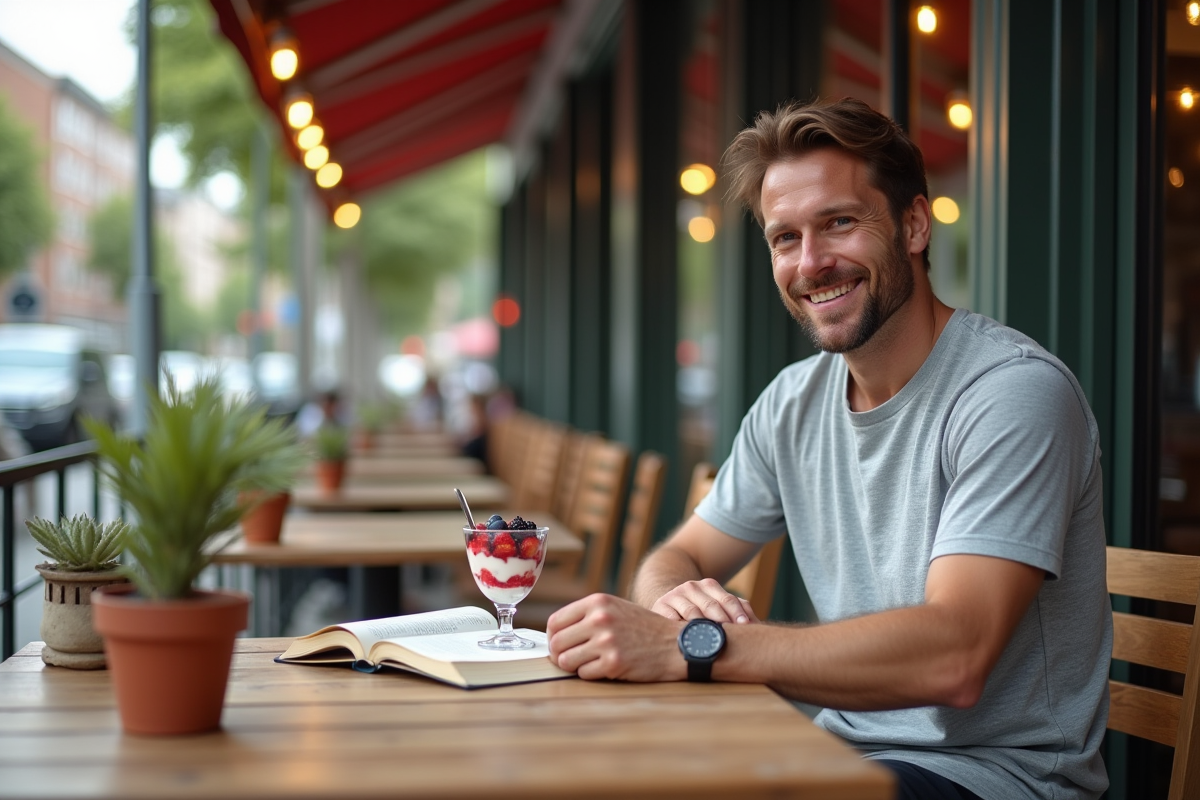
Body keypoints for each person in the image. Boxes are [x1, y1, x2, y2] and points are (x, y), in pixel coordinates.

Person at [545, 97, 1111, 800]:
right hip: (836, 751)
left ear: (912, 224)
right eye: (785, 238)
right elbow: (677, 556)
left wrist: (698, 647)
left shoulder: (1011, 394)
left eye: (839, 222)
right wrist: (675, 608)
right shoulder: (793, 401)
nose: (812, 263)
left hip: (995, 778)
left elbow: (955, 656)